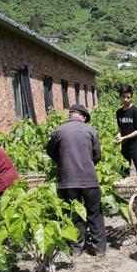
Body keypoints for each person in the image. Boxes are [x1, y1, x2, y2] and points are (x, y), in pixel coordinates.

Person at [46, 104, 107, 257]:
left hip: (67, 181)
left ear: (70, 115)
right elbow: (97, 156)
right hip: (89, 180)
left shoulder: (59, 131)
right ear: (84, 117)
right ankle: (99, 250)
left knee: (74, 214)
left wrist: (64, 162)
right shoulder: (91, 131)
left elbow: (51, 152)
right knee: (95, 213)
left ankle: (75, 249)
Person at [115, 84, 137, 176]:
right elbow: (120, 127)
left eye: (128, 97)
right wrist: (119, 135)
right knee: (124, 172)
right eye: (123, 97)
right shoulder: (119, 112)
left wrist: (124, 138)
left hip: (136, 146)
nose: (126, 100)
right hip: (124, 147)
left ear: (131, 97)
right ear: (120, 97)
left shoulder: (136, 111)